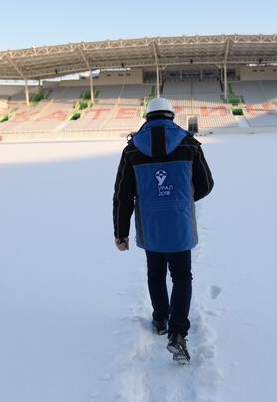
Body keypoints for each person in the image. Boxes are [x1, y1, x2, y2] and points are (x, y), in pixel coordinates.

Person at [112, 97, 214, 364]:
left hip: (152, 226)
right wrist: (181, 198)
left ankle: (160, 320)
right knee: (182, 277)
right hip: (179, 224)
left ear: (147, 117)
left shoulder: (132, 150)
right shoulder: (190, 143)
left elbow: (122, 195)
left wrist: (120, 232)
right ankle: (178, 333)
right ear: (170, 116)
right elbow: (206, 184)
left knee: (156, 273)